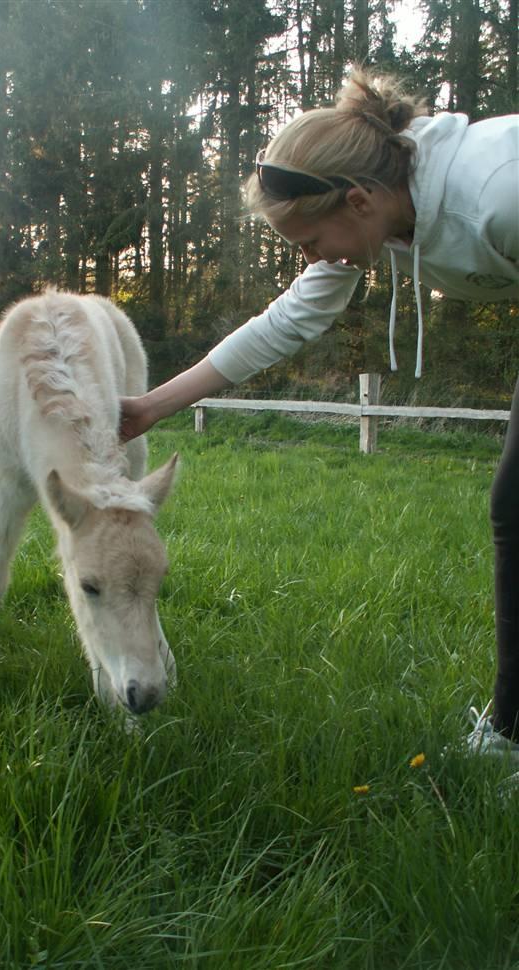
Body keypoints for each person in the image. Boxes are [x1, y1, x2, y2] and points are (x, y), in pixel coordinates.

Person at [120, 69, 519, 770]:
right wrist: (150, 408)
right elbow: (285, 323)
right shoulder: (384, 210)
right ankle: (512, 732)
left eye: (308, 244)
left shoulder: (498, 191)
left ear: (358, 201)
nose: (309, 260)